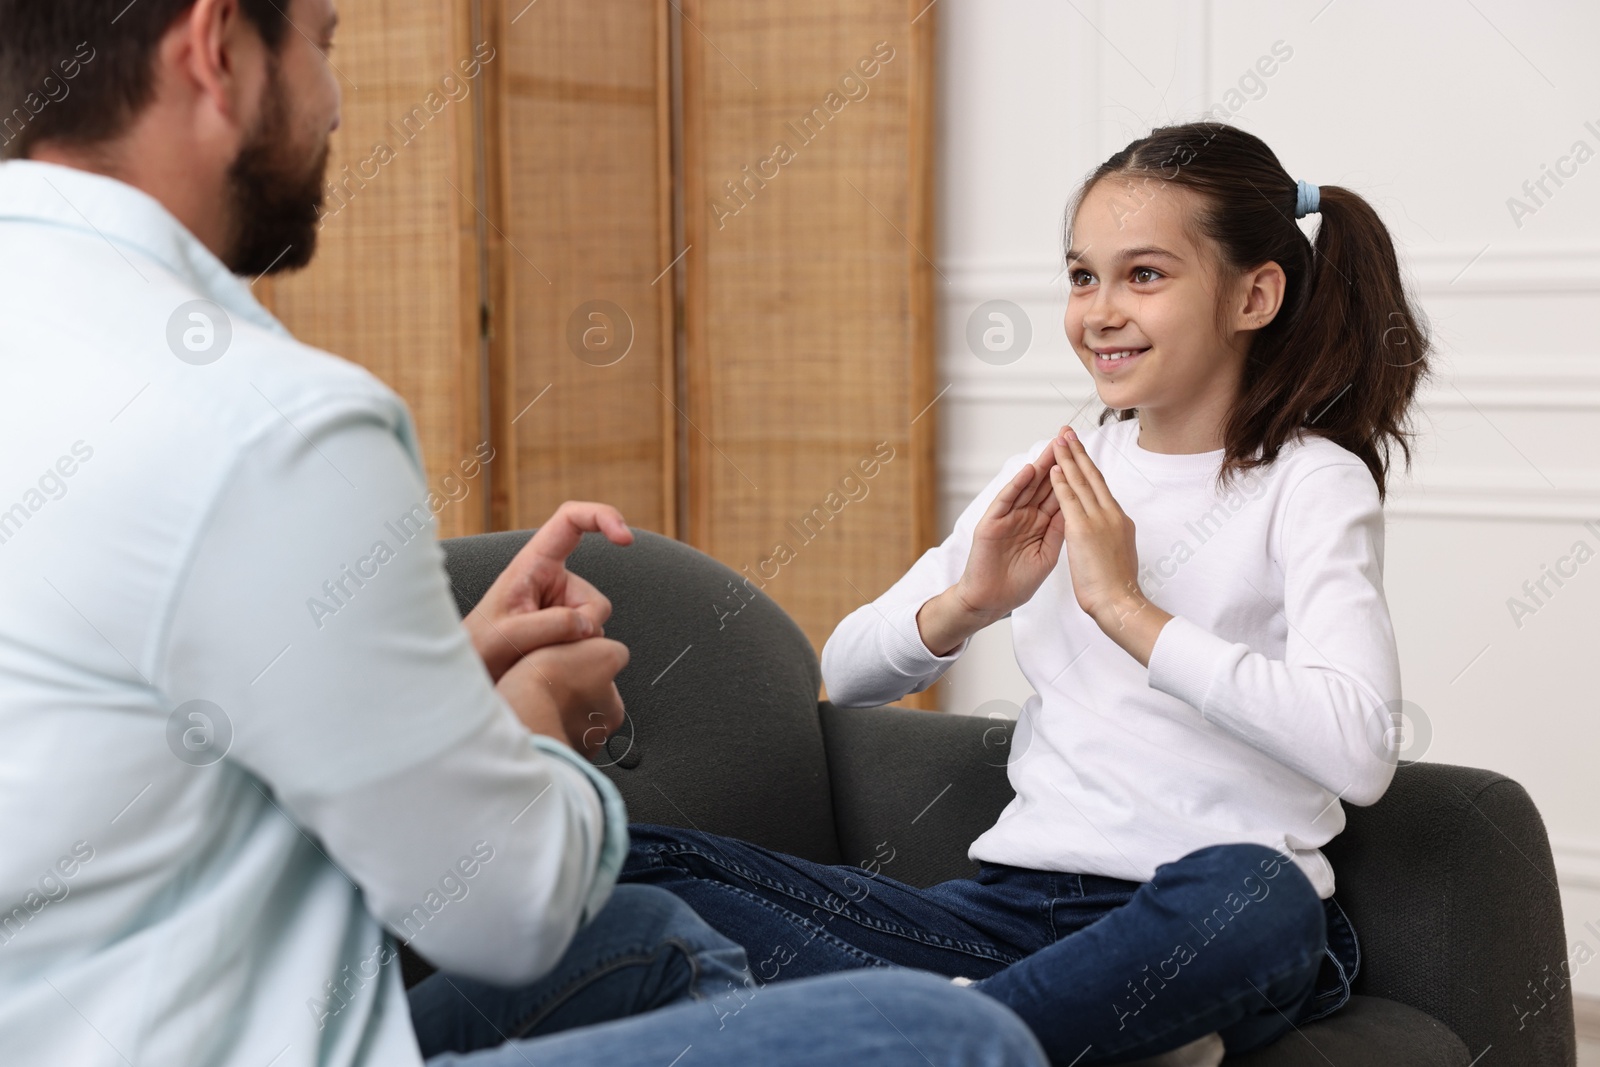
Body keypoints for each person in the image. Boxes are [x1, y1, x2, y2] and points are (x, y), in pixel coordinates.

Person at [0, 2, 1052, 1066]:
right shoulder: (268, 421)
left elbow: (124, 732)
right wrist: (526, 716)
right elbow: (504, 910)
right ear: (217, 49)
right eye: (321, 41)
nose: (333, 103)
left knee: (648, 942)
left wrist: (433, 683)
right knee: (949, 1035)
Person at [621, 121, 1432, 1066]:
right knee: (634, 861)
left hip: (1208, 912)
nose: (1100, 310)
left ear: (1254, 295)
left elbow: (1360, 749)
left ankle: (962, 1030)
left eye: (1145, 275)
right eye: (1083, 276)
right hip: (1009, 912)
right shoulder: (1057, 471)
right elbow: (844, 676)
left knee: (1260, 897)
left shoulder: (1309, 482)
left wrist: (1127, 610)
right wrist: (971, 597)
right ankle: (1069, 1026)